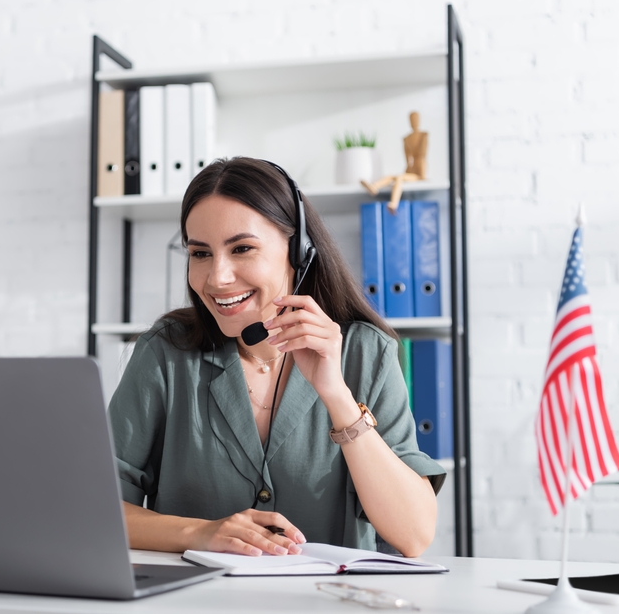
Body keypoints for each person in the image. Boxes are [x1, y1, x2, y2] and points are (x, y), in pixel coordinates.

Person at [107, 157, 445, 558]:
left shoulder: (367, 353)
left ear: (298, 251)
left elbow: (414, 535)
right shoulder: (165, 354)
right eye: (200, 254)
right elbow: (94, 508)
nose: (217, 278)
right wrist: (200, 533)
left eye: (242, 248)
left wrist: (335, 394)